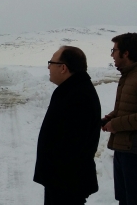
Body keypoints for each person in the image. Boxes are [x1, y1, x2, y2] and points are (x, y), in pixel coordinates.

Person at [34, 46, 101, 205]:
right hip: (60, 181)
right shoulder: (71, 89)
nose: (49, 67)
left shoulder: (79, 96)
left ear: (63, 68)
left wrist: (54, 176)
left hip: (66, 184)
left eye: (51, 62)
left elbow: (72, 146)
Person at [102, 33, 137, 205]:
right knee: (124, 200)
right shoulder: (128, 75)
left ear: (126, 53)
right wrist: (112, 116)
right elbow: (129, 107)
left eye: (114, 50)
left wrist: (115, 124)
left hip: (134, 153)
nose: (112, 55)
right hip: (124, 149)